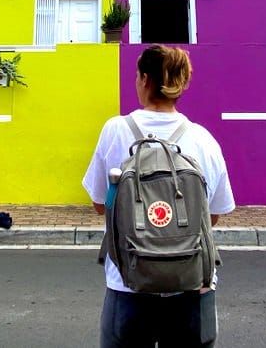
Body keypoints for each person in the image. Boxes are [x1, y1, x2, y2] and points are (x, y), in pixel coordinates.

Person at [82, 44, 235, 348]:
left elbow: (100, 204)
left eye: (137, 75)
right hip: (192, 288)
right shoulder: (204, 139)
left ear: (145, 79)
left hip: (128, 286)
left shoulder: (115, 130)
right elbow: (213, 215)